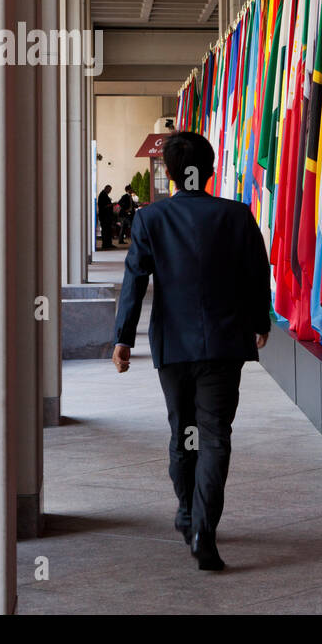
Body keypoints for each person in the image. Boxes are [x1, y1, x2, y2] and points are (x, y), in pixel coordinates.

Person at [111, 132, 271, 571]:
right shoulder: (237, 216)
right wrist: (261, 323)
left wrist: (123, 337)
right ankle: (204, 528)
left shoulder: (150, 219)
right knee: (215, 435)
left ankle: (187, 512)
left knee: (184, 432)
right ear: (212, 167)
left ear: (169, 173)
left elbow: (135, 281)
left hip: (175, 348)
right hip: (223, 346)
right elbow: (258, 275)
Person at [98, 185, 117, 250]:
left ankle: (108, 244)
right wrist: (112, 204)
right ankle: (105, 244)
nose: (110, 191)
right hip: (104, 216)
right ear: (106, 188)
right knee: (105, 231)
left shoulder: (104, 194)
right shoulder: (102, 195)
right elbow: (103, 206)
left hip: (107, 216)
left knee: (108, 230)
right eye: (109, 190)